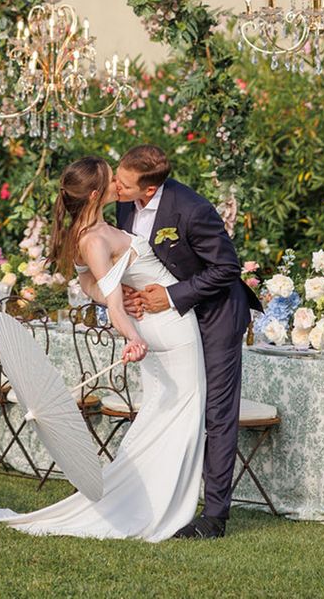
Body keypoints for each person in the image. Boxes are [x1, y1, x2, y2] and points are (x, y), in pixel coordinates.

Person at [0, 155, 206, 540]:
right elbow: (114, 300)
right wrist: (131, 334)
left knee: (162, 418)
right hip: (168, 330)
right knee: (179, 420)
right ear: (97, 192)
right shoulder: (93, 239)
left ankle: (154, 500)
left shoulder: (90, 231)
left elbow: (91, 287)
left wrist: (118, 299)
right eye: (111, 178)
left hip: (161, 324)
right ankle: (155, 508)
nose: (119, 183)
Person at [116, 143, 260, 539]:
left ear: (148, 190)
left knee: (216, 411)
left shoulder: (192, 210)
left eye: (122, 183)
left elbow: (227, 268)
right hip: (169, 323)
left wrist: (173, 295)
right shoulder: (123, 205)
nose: (114, 186)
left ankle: (214, 516)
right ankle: (159, 497)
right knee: (172, 403)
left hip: (216, 316)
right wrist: (132, 293)